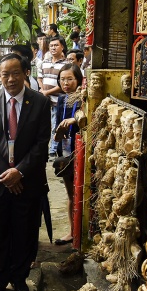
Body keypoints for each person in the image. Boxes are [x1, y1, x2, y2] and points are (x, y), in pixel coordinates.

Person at [0, 53, 51, 291]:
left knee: (24, 231)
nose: (10, 79)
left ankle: (19, 277)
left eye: (15, 73)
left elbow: (41, 144)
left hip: (27, 181)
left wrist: (19, 171)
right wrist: (6, 174)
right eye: (4, 74)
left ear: (26, 73)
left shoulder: (39, 102)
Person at [52, 64, 83, 246]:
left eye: (70, 79)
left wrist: (75, 119)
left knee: (80, 193)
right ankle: (72, 232)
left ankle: (80, 232)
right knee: (70, 194)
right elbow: (57, 125)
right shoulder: (62, 100)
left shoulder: (83, 99)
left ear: (78, 80)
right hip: (65, 152)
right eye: (62, 79)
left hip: (80, 151)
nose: (65, 83)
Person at [39, 37, 67, 157]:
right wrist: (42, 90)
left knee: (55, 124)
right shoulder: (44, 62)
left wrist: (47, 92)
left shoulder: (66, 65)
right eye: (51, 46)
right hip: (45, 100)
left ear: (62, 47)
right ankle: (45, 149)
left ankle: (52, 151)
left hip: (57, 100)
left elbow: (63, 85)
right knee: (44, 125)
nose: (53, 48)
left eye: (56, 45)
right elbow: (40, 77)